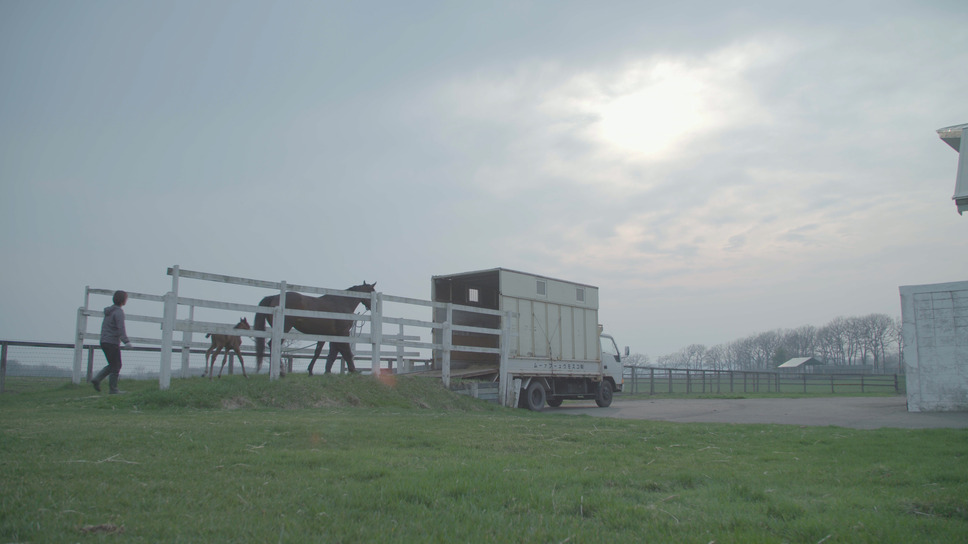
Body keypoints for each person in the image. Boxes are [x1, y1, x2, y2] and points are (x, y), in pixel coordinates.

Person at [91, 290, 131, 394]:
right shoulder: (118, 312)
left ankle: (97, 379)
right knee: (117, 365)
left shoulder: (109, 312)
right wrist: (126, 341)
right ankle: (113, 389)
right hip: (112, 342)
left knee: (113, 364)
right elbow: (120, 328)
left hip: (104, 341)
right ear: (123, 300)